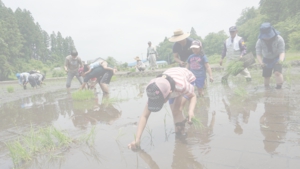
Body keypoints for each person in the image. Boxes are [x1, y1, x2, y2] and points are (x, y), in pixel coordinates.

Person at [128, 67, 197, 149]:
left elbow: (193, 95)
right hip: (169, 83)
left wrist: (190, 111)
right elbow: (144, 116)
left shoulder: (182, 86)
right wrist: (137, 139)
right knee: (174, 112)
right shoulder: (153, 89)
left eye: (161, 101)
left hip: (187, 79)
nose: (162, 103)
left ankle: (181, 136)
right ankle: (178, 133)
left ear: (170, 93)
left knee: (177, 109)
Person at [255, 23, 285, 89]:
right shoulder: (259, 41)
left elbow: (282, 52)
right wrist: (261, 63)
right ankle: (267, 89)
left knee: (277, 72)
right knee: (266, 75)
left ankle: (279, 88)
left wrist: (280, 61)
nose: (267, 37)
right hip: (266, 58)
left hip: (277, 57)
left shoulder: (279, 39)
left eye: (268, 35)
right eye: (265, 36)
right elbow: (258, 54)